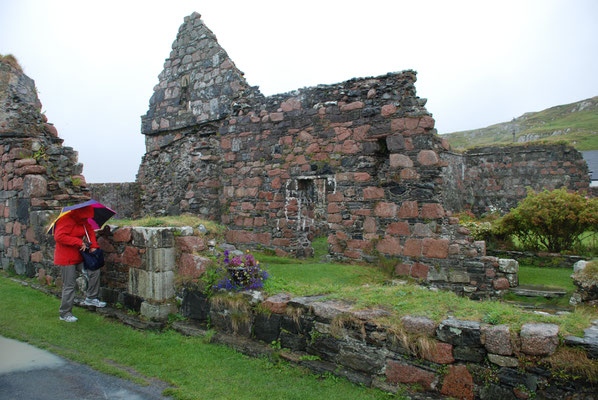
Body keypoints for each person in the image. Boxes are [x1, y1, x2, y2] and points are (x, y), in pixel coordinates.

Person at [54, 205, 106, 322]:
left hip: (79, 256)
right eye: (84, 217)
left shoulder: (83, 221)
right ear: (79, 214)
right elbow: (59, 236)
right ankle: (65, 313)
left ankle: (91, 297)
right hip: (66, 258)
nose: (86, 219)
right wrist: (78, 242)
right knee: (69, 285)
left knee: (94, 270)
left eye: (87, 217)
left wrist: (93, 246)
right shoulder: (66, 219)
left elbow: (90, 231)